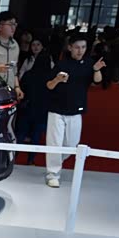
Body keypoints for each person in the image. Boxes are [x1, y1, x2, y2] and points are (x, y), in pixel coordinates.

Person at [44, 34, 106, 188]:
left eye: (83, 47)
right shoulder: (61, 64)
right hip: (56, 109)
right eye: (77, 47)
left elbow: (97, 81)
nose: (80, 50)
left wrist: (96, 69)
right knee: (54, 143)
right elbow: (49, 86)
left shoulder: (89, 64)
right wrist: (57, 79)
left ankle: (57, 161)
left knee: (72, 144)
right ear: (70, 47)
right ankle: (53, 174)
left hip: (76, 110)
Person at [16, 50, 53, 165]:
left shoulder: (28, 74)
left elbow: (22, 89)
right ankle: (31, 159)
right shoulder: (51, 78)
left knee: (21, 134)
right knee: (36, 135)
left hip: (27, 108)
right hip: (42, 110)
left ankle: (14, 158)